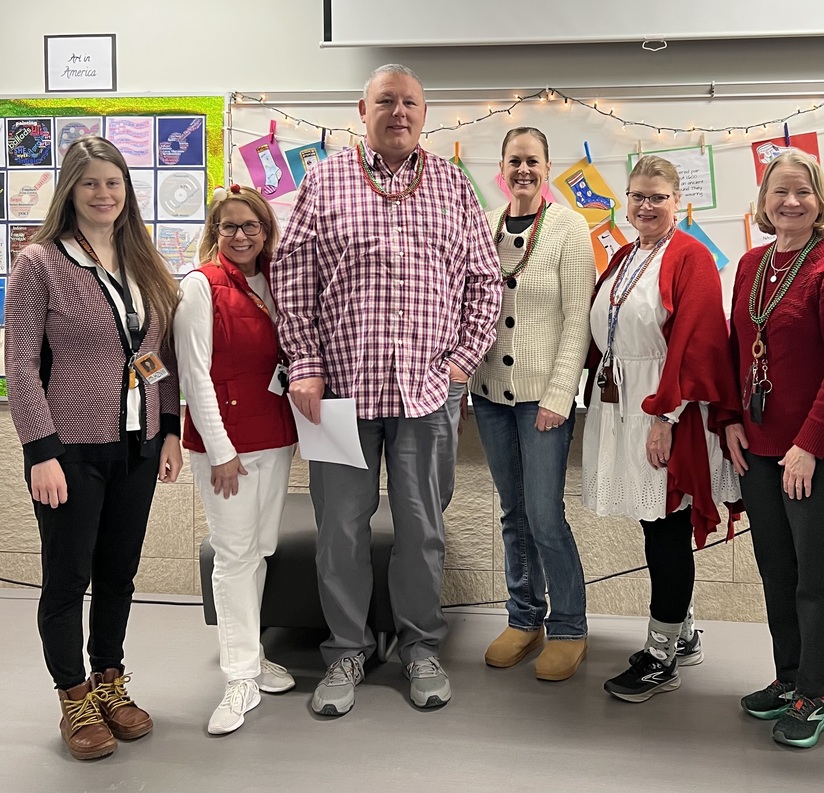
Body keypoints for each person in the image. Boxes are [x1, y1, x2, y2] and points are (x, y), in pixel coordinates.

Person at [271, 64, 502, 714]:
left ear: (425, 113)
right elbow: (293, 276)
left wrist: (461, 360)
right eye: (386, 101)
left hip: (428, 396)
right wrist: (305, 364)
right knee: (338, 531)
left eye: (410, 102)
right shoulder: (324, 178)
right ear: (362, 108)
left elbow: (486, 282)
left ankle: (420, 646)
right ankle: (346, 650)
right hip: (334, 394)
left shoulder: (454, 185)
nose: (398, 111)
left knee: (422, 529)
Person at [4, 136, 182, 760]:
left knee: (118, 574)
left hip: (134, 446)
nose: (104, 194)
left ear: (127, 191)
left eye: (114, 183)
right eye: (90, 183)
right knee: (67, 578)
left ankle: (110, 680)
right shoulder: (40, 261)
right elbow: (21, 360)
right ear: (70, 191)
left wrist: (168, 431)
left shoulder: (142, 260)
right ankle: (74, 697)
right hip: (70, 448)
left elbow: (154, 356)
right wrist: (41, 449)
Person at [724, 150, 824, 748]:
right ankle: (788, 678)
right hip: (760, 448)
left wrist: (808, 445)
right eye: (780, 192)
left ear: (821, 201)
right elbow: (739, 347)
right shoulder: (751, 264)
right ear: (763, 202)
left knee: (815, 574)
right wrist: (732, 418)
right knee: (776, 569)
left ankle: (815, 692)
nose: (791, 202)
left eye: (803, 192)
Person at [582, 155, 742, 703]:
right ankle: (685, 631)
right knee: (654, 525)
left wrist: (666, 420)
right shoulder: (626, 255)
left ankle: (659, 654)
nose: (645, 206)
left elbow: (696, 342)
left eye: (657, 197)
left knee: (666, 528)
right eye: (637, 196)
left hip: (664, 410)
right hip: (621, 404)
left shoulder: (691, 256)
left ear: (678, 202)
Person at [174, 184, 298, 735]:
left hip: (275, 437)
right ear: (215, 233)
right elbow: (193, 376)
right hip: (227, 448)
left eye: (251, 226)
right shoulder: (201, 287)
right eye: (230, 227)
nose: (242, 235)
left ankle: (253, 655)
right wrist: (221, 452)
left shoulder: (275, 282)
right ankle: (238, 676)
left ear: (266, 230)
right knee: (233, 556)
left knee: (260, 550)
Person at [471, 127, 594, 681]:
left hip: (544, 399)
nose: (523, 170)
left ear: (548, 167)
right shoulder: (486, 224)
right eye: (514, 161)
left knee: (545, 514)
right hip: (491, 394)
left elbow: (578, 320)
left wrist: (560, 395)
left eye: (533, 161)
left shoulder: (569, 227)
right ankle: (524, 617)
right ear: (502, 166)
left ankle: (568, 625)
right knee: (512, 513)